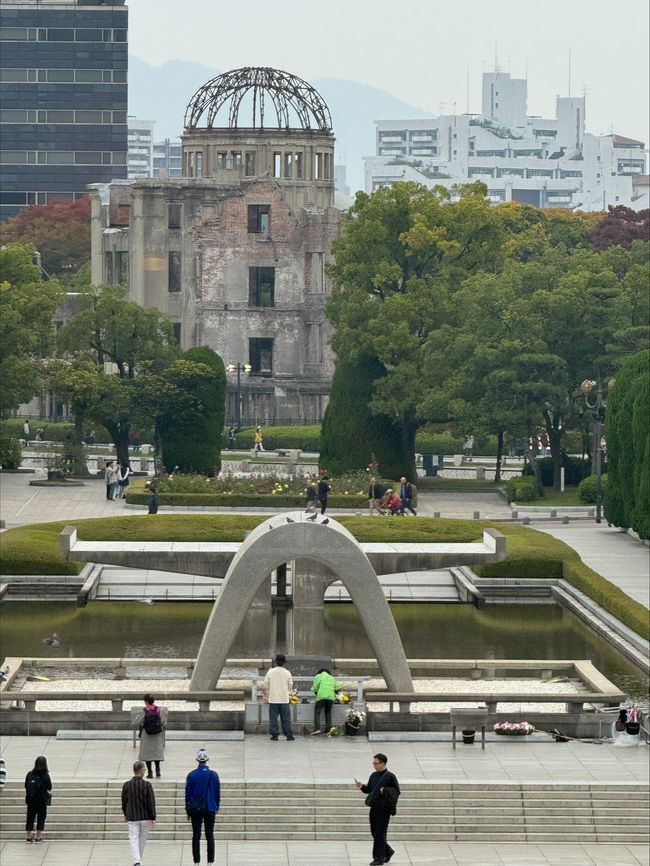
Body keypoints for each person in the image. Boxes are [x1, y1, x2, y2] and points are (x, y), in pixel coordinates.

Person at [355, 753, 401, 866]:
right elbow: (370, 789)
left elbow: (396, 791)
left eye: (376, 763)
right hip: (374, 807)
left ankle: (378, 858)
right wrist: (362, 787)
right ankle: (388, 851)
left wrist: (385, 790)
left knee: (380, 833)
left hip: (384, 809)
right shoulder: (373, 775)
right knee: (374, 832)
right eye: (373, 763)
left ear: (383, 763)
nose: (374, 765)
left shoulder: (390, 776)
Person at [185, 749, 221, 866]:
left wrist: (188, 810)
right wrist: (217, 806)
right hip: (210, 807)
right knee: (209, 834)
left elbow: (188, 793)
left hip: (196, 808)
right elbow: (217, 793)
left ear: (197, 760)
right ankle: (210, 861)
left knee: (196, 835)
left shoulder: (191, 775)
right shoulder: (214, 775)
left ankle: (196, 861)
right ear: (207, 760)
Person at [121, 760, 156, 866]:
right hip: (145, 816)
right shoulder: (147, 785)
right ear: (141, 771)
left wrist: (125, 813)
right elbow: (151, 802)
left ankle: (137, 861)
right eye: (144, 769)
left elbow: (124, 801)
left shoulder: (127, 785)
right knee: (142, 839)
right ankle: (137, 860)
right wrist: (153, 816)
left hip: (132, 816)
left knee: (133, 838)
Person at [262, 653, 295, 741]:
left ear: (276, 662)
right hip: (284, 699)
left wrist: (269, 690)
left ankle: (275, 735)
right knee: (286, 718)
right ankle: (289, 735)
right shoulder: (287, 672)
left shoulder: (270, 672)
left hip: (273, 699)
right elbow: (290, 685)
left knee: (273, 718)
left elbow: (265, 684)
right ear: (284, 662)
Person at [135, 694, 167, 778]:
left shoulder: (144, 711)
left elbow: (137, 721)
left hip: (147, 734)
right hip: (157, 734)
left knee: (147, 753)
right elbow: (164, 722)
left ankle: (150, 772)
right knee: (156, 753)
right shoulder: (159, 710)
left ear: (145, 701)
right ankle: (158, 769)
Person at [25, 755, 52, 844]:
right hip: (41, 800)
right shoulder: (45, 775)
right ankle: (38, 836)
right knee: (41, 817)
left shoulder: (30, 774)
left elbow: (26, 785)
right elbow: (50, 787)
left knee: (30, 816)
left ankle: (29, 836)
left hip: (31, 799)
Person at [311, 667, 341, 735]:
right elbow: (338, 687)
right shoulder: (331, 677)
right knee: (328, 712)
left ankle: (317, 729)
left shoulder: (318, 676)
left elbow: (315, 688)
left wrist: (317, 693)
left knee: (317, 711)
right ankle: (328, 730)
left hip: (321, 696)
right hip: (330, 697)